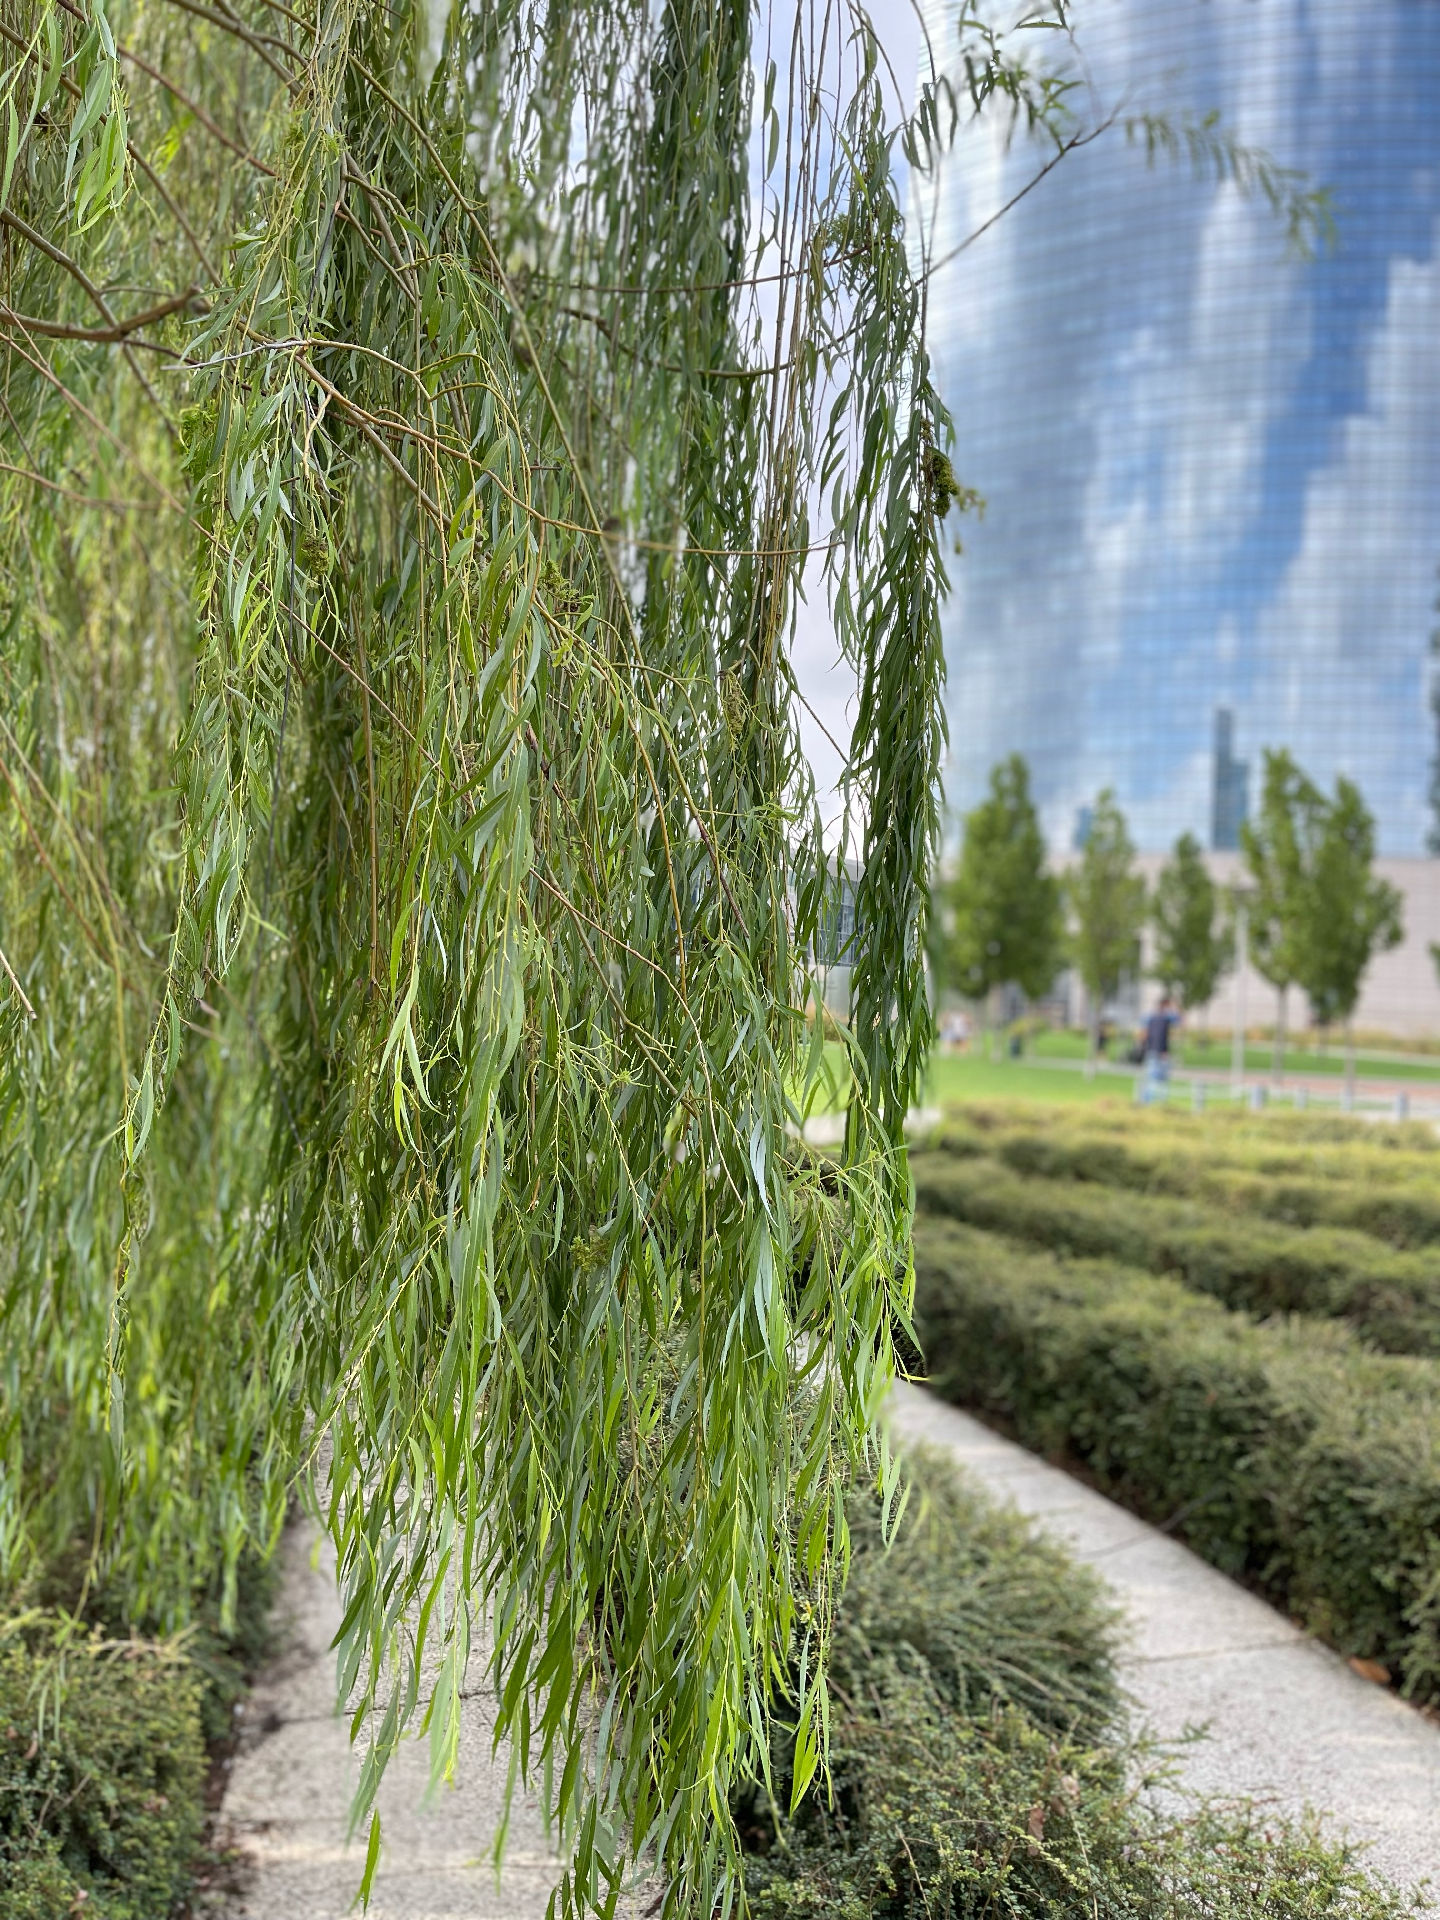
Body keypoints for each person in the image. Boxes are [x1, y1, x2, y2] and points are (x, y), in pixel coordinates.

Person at [1141, 994, 1180, 1103]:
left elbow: (1146, 1034)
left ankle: (1149, 1101)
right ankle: (1157, 1101)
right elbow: (1179, 1018)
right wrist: (1162, 1051)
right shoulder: (1164, 1018)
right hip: (1159, 1052)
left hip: (1152, 1050)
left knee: (1152, 1078)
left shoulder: (1150, 1017)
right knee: (1159, 1079)